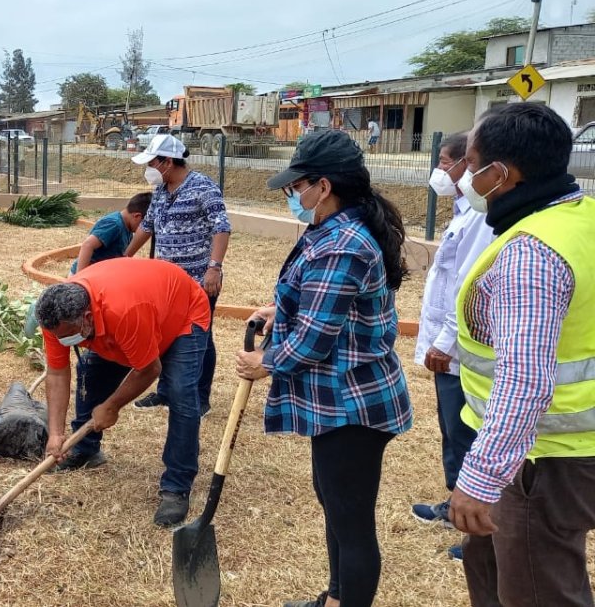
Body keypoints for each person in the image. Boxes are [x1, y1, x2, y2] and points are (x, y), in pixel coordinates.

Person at [234, 130, 412, 607]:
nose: (293, 196)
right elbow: (326, 305)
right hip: (336, 401)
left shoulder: (343, 243)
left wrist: (264, 362)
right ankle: (335, 598)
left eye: (297, 187)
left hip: (353, 404)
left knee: (351, 522)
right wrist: (279, 313)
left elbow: (314, 340)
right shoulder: (331, 229)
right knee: (334, 505)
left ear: (323, 186)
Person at [446, 103, 595, 607]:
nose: (463, 175)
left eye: (470, 163)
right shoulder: (582, 219)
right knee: (490, 563)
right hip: (555, 447)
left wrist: (482, 476)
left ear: (501, 174)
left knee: (540, 587)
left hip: (544, 456)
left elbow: (524, 378)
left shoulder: (532, 253)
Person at [36, 257, 211, 526]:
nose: (63, 341)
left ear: (86, 318)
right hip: (137, 315)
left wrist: (112, 405)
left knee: (180, 393)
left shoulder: (124, 311)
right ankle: (86, 451)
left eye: (70, 335)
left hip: (183, 315)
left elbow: (150, 369)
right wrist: (56, 433)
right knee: (91, 374)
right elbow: (58, 373)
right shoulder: (57, 321)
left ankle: (177, 486)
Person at [409, 131, 494, 562]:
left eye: (448, 162)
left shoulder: (480, 216)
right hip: (448, 342)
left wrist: (444, 342)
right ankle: (456, 506)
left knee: (464, 430)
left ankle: (473, 522)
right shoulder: (464, 210)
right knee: (451, 427)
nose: (441, 171)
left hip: (458, 347)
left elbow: (466, 283)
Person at [124, 135, 231, 416]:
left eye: (152, 163)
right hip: (165, 283)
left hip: (199, 281)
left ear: (168, 162)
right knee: (165, 335)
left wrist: (214, 268)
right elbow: (147, 227)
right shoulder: (160, 192)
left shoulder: (203, 187)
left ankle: (200, 397)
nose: (148, 169)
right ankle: (165, 392)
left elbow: (221, 228)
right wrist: (124, 259)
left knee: (200, 338)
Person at [71, 191, 151, 275]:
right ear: (137, 216)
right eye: (145, 225)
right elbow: (87, 245)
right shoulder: (114, 225)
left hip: (99, 275)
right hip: (86, 277)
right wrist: (80, 277)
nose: (143, 229)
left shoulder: (127, 227)